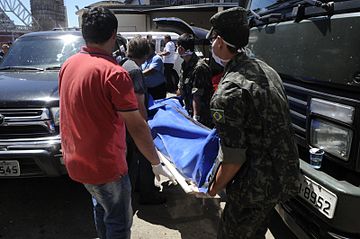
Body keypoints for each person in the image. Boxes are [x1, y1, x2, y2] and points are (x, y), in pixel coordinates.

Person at [59, 7, 174, 239]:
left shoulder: (68, 65)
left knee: (101, 208)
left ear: (84, 33)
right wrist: (154, 161)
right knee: (119, 222)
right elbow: (137, 125)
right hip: (106, 166)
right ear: (114, 35)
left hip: (77, 160)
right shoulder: (113, 73)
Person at [205, 7, 300, 239]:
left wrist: (213, 189)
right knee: (257, 232)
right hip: (280, 179)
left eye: (213, 38)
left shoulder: (227, 93)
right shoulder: (267, 70)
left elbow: (233, 158)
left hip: (252, 190)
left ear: (220, 41)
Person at [122, 36, 166, 205]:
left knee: (134, 159)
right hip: (134, 122)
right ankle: (148, 194)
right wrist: (145, 126)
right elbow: (139, 103)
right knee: (145, 157)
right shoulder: (135, 71)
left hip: (125, 122)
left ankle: (140, 187)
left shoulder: (125, 65)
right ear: (146, 53)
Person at [176, 33, 213, 127]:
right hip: (189, 110)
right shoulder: (185, 65)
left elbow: (197, 95)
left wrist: (196, 117)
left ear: (181, 49)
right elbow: (181, 87)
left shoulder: (199, 67)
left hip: (202, 115)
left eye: (177, 47)